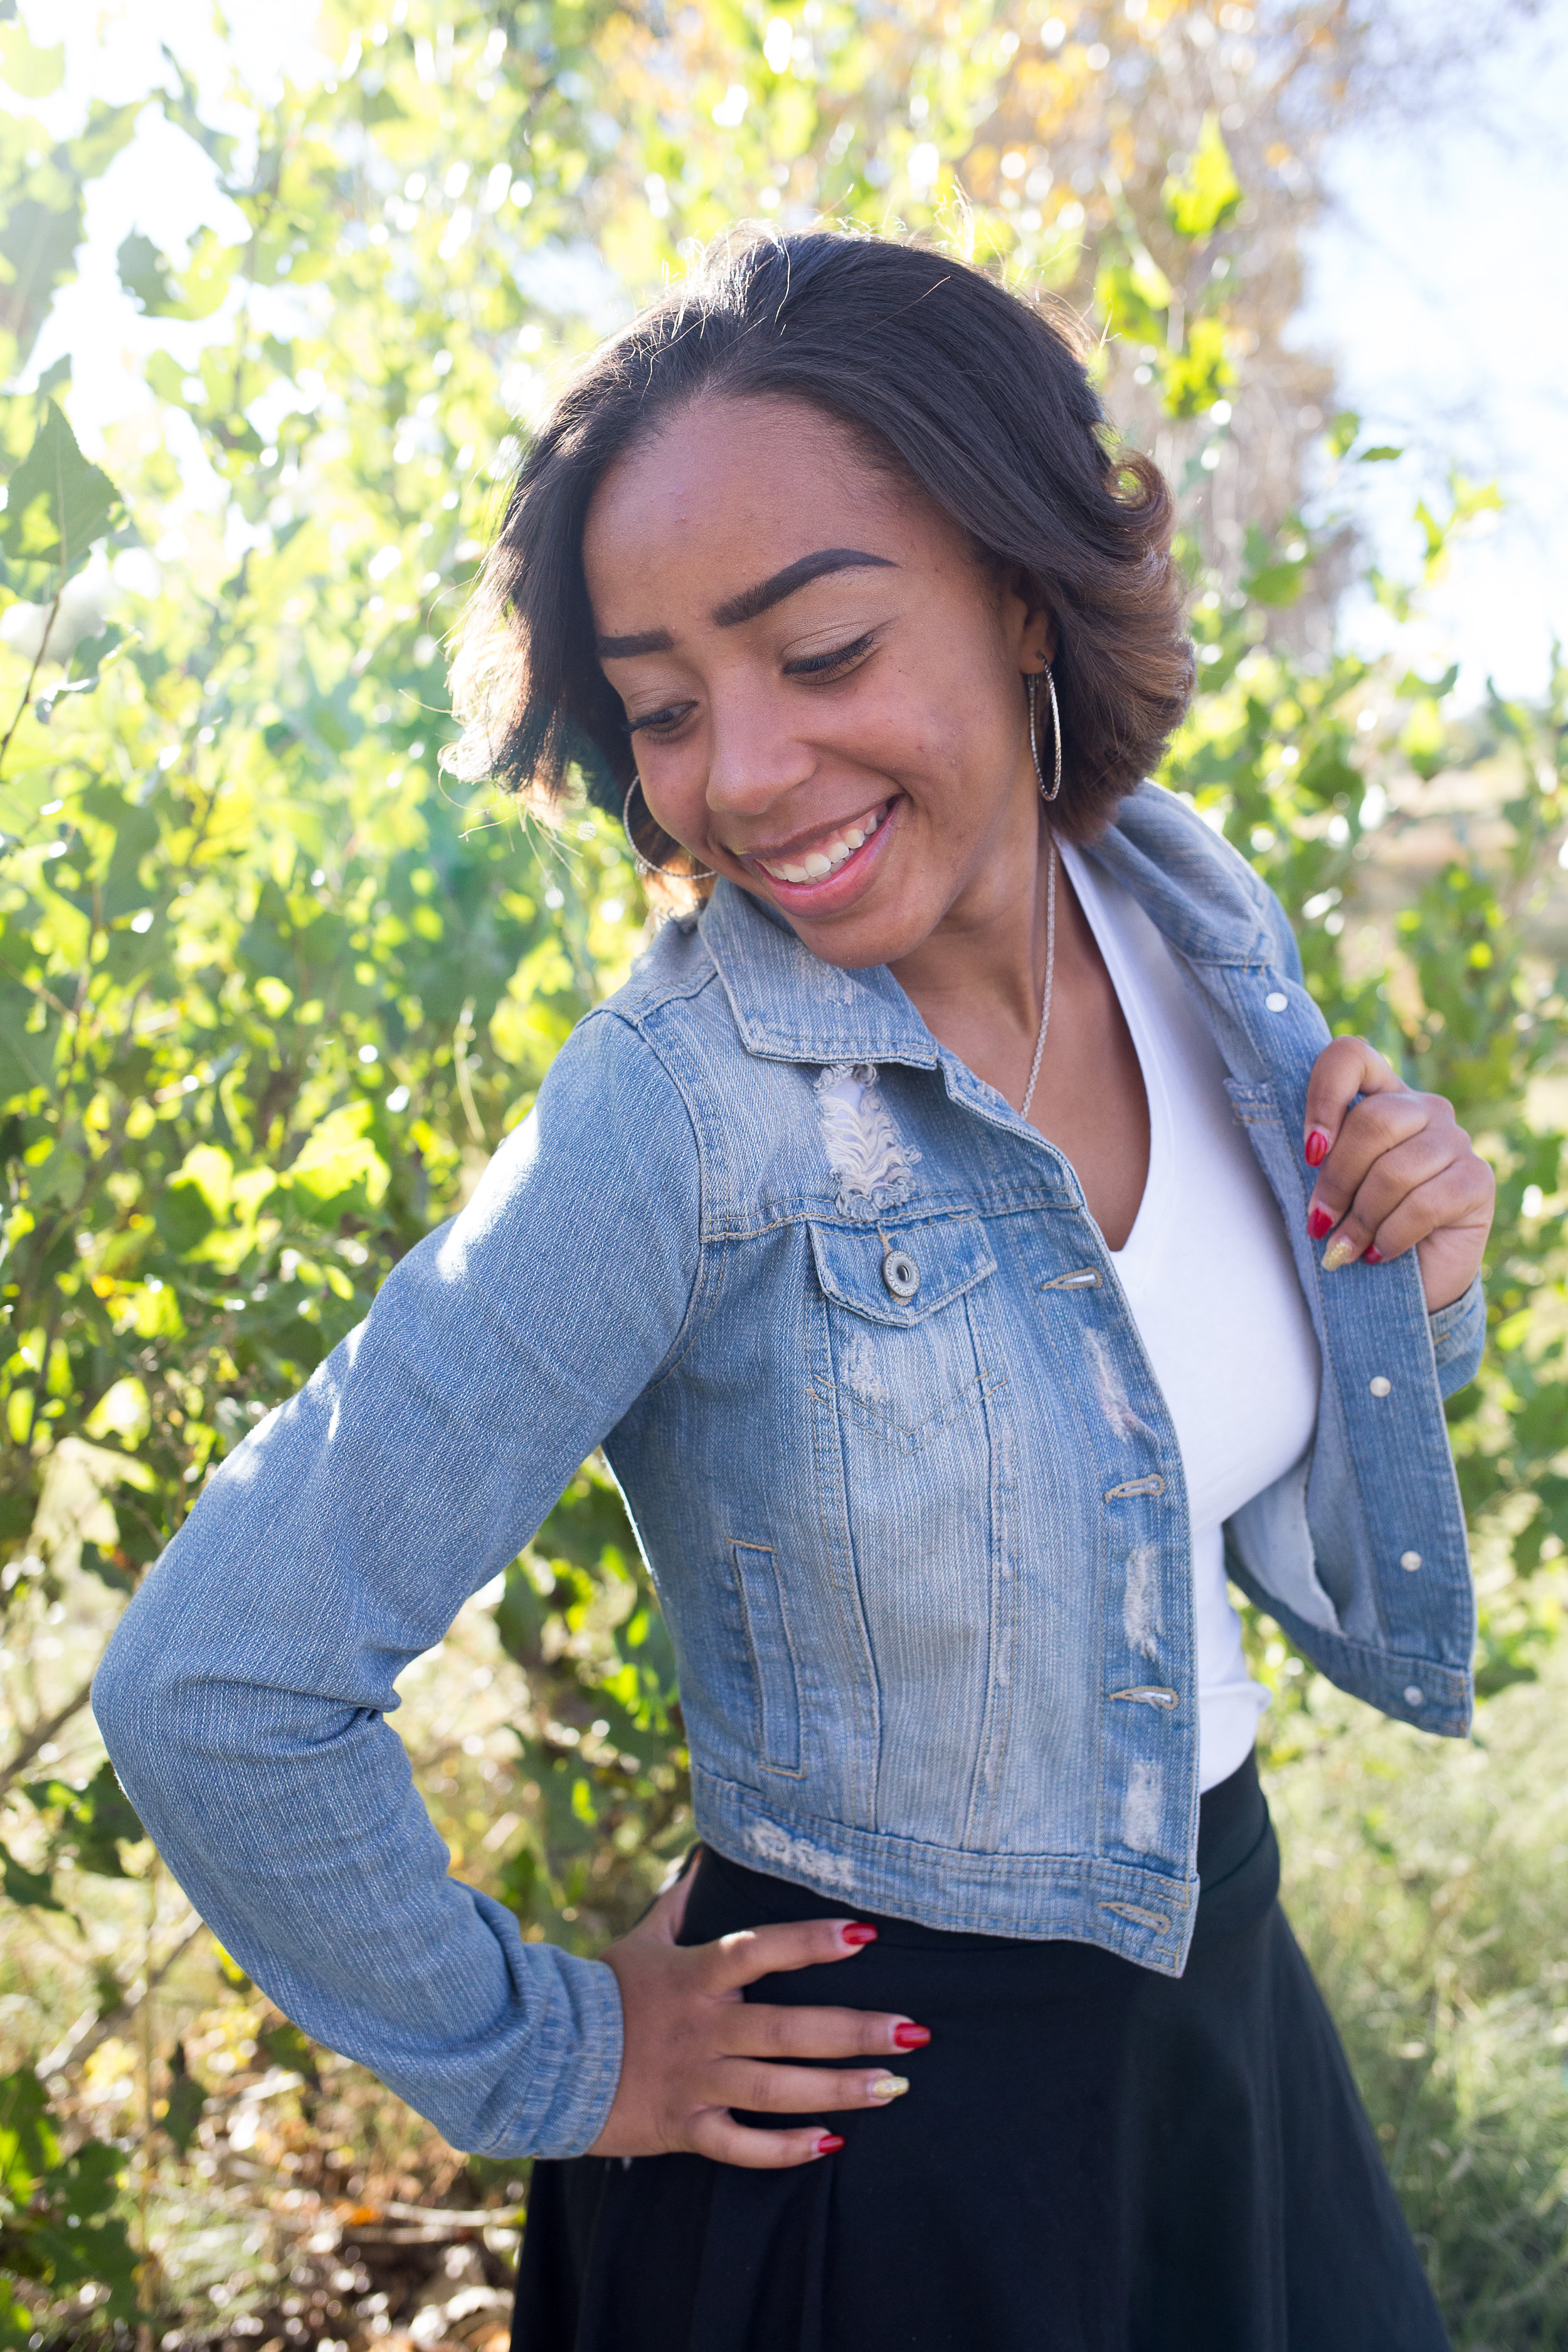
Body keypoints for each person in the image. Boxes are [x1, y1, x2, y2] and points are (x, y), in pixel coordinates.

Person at [94, 230, 1495, 2352]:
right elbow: (217, 1675)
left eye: (819, 652)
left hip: (1219, 2016)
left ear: (1024, 592)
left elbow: (1199, 1500)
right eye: (660, 708)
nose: (737, 774)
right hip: (870, 2160)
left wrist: (1413, 1271)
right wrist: (569, 2055)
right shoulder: (676, 1112)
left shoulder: (1188, 908)